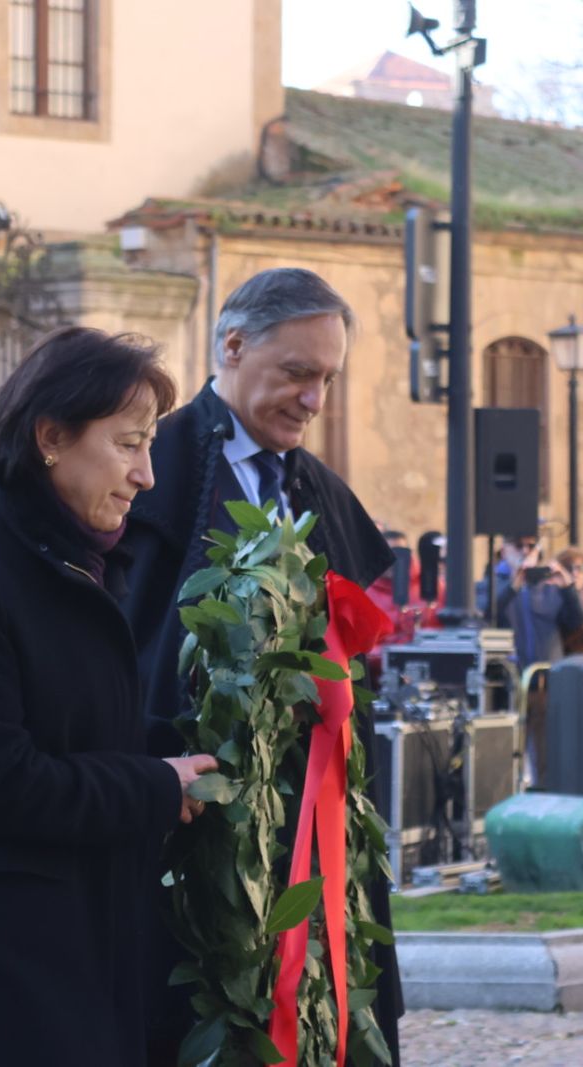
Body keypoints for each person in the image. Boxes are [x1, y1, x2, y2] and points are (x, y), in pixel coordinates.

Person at [0, 326, 218, 1066]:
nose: (147, 474)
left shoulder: (76, 565)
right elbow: (0, 780)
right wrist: (155, 784)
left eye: (151, 444)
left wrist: (201, 748)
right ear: (51, 438)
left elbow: (93, 735)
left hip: (73, 934)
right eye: (129, 443)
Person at [115, 269, 399, 1064]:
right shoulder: (150, 467)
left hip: (315, 819)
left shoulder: (320, 488)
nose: (315, 400)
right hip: (193, 817)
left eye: (328, 379)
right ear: (233, 347)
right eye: (298, 373)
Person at [496, 541, 583, 782]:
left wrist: (567, 587)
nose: (525, 551)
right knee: (506, 754)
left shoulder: (551, 587)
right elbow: (488, 614)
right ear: (504, 550)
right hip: (510, 683)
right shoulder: (494, 582)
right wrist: (514, 586)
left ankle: (543, 798)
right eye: (519, 546)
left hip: (545, 683)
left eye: (531, 546)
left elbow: (577, 622)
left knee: (546, 753)